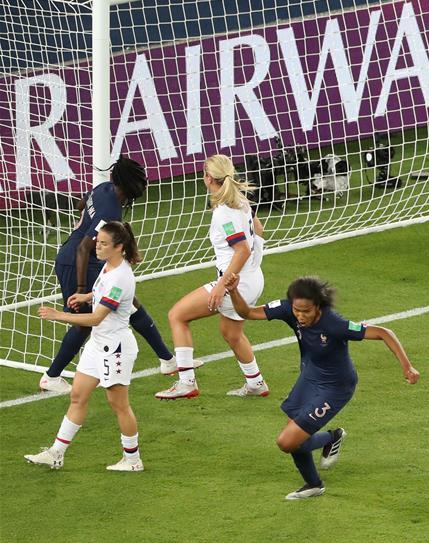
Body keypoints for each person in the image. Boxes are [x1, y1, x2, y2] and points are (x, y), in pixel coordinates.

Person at [225, 275, 420, 499]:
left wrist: (407, 367)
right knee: (295, 439)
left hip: (336, 387)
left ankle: (331, 438)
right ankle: (314, 483)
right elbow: (248, 313)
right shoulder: (290, 308)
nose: (300, 315)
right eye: (297, 310)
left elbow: (384, 333)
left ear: (318, 306)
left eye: (306, 311)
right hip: (309, 377)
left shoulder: (334, 324)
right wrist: (232, 291)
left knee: (287, 441)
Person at [40, 157, 187, 394]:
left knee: (130, 303)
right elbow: (83, 248)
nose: (142, 186)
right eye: (140, 182)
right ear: (129, 184)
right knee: (84, 324)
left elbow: (82, 204)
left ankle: (167, 359)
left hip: (89, 260)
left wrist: (87, 218)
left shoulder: (103, 188)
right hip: (77, 262)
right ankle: (51, 377)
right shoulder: (110, 211)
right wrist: (80, 288)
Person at [26, 222, 146, 471]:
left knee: (119, 405)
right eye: (97, 241)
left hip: (115, 348)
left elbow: (95, 318)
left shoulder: (120, 277)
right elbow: (101, 295)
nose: (97, 247)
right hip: (99, 343)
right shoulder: (109, 266)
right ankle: (56, 453)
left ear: (119, 247)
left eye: (103, 244)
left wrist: (59, 315)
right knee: (77, 395)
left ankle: (133, 460)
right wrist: (86, 296)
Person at [155, 154, 268, 400]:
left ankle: (186, 382)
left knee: (177, 315)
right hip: (252, 277)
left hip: (235, 282)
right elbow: (257, 230)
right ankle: (256, 383)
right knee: (232, 333)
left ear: (208, 178)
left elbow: (241, 250)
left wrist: (220, 286)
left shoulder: (224, 212)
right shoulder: (239, 200)